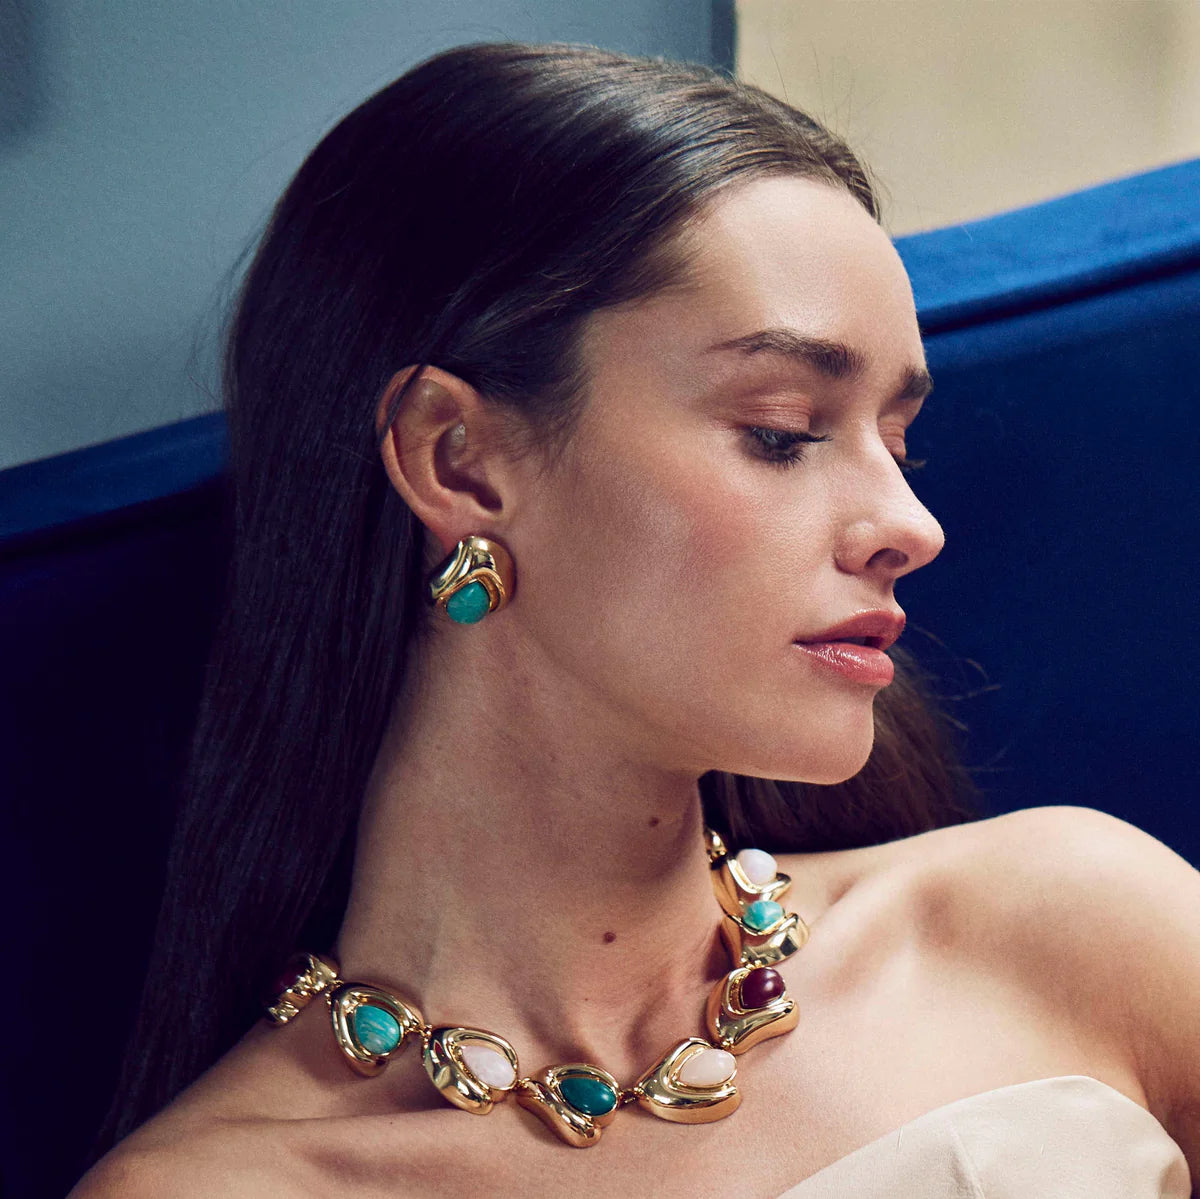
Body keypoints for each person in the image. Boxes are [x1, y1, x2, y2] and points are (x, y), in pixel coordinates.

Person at [73, 41, 1199, 1197]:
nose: (910, 524)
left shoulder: (1069, 927)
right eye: (781, 429)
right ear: (460, 462)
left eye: (898, 439)